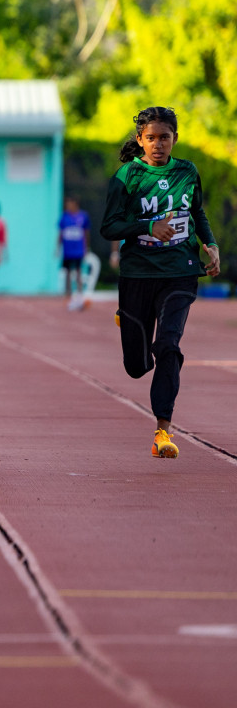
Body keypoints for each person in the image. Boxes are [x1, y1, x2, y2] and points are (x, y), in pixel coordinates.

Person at [100, 107, 220, 459]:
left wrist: (209, 244)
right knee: (136, 367)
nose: (157, 144)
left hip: (179, 271)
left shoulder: (188, 172)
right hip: (138, 275)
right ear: (140, 140)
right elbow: (109, 227)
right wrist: (148, 226)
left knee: (168, 345)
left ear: (175, 139)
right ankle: (129, 319)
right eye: (150, 138)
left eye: (164, 137)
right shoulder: (126, 177)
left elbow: (196, 212)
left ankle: (162, 432)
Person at [59, 195, 91, 310]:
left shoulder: (83, 216)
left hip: (78, 250)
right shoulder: (64, 217)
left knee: (78, 271)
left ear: (75, 204)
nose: (68, 206)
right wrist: (58, 247)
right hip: (67, 250)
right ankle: (68, 294)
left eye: (70, 204)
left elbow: (86, 232)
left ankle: (79, 294)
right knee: (67, 272)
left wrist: (86, 247)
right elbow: (61, 232)